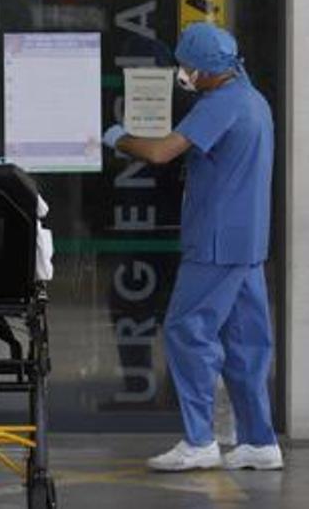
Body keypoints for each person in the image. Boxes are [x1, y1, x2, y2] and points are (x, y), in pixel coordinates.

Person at [102, 23, 282, 473]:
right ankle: (259, 440)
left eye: (186, 66)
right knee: (246, 343)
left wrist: (116, 138)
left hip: (216, 242)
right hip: (248, 241)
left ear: (206, 69)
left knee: (187, 331)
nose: (183, 73)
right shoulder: (253, 99)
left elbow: (163, 152)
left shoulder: (219, 105)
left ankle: (200, 439)